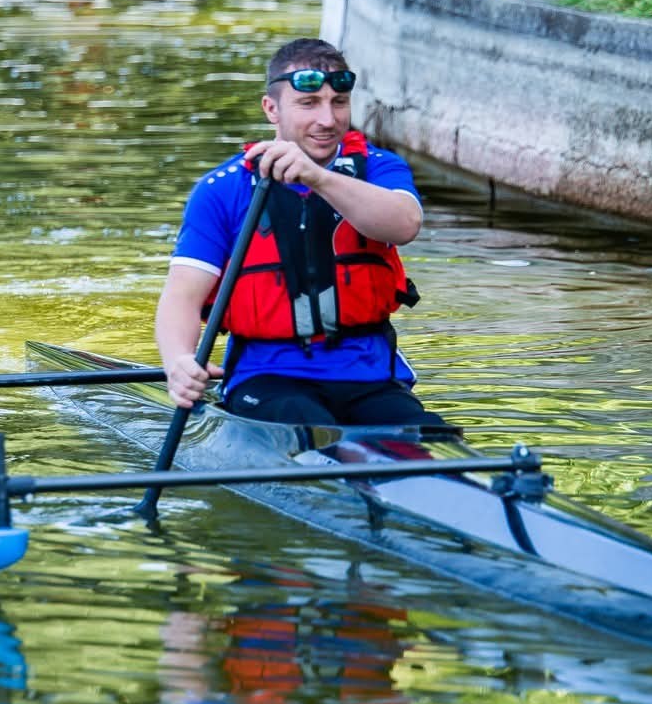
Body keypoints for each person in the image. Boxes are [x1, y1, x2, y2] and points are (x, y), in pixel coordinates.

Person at [154, 37, 442, 428]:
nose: (328, 119)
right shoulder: (220, 189)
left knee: (420, 440)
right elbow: (181, 297)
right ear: (271, 109)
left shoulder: (380, 168)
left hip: (370, 376)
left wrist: (317, 177)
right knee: (305, 424)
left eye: (338, 103)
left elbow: (404, 224)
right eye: (308, 104)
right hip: (267, 379)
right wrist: (179, 362)